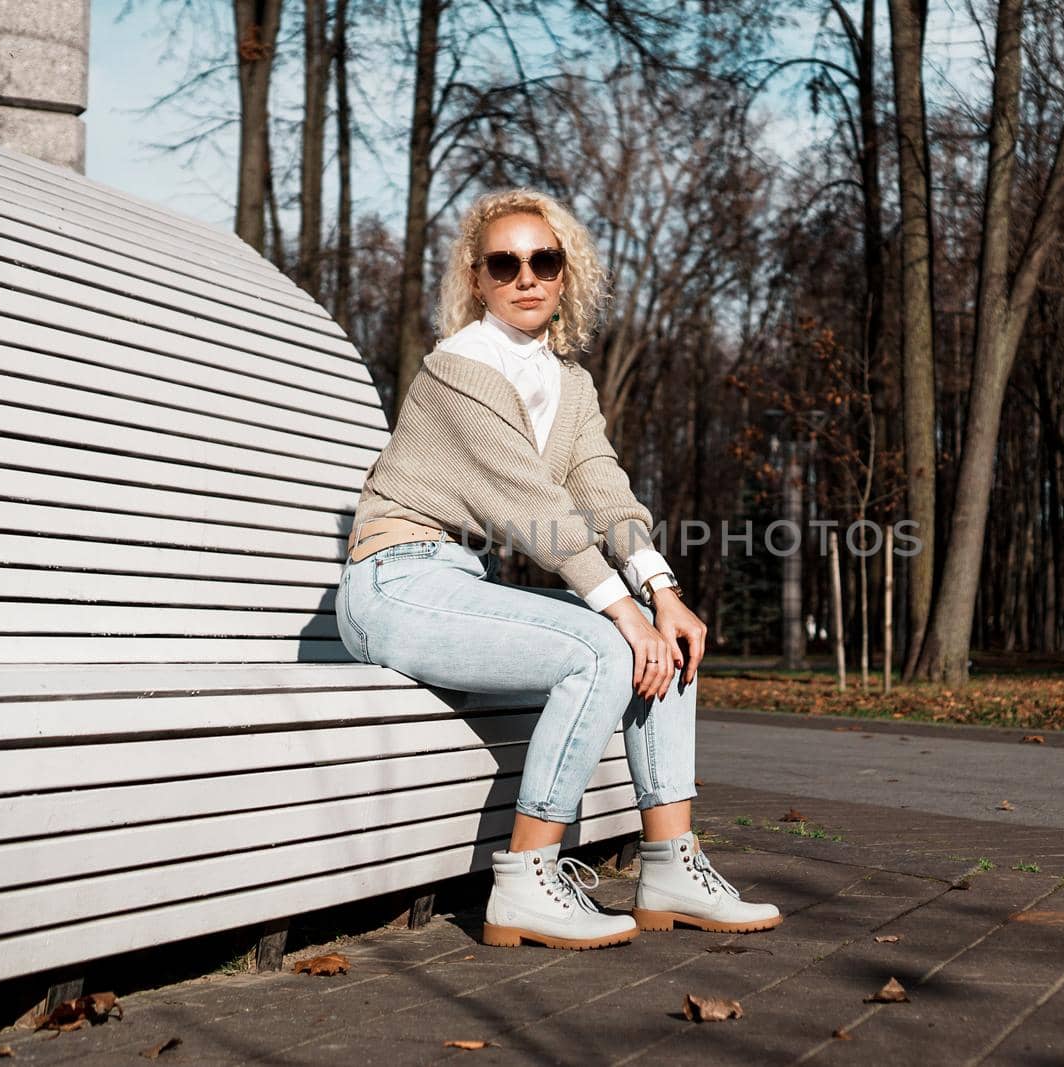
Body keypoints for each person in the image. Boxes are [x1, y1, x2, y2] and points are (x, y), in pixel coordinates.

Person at [335, 188, 782, 950]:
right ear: (476, 279)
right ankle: (528, 879)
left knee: (668, 637)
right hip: (394, 585)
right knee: (605, 644)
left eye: (543, 260)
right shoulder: (458, 371)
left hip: (458, 584)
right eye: (504, 264)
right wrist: (623, 609)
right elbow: (533, 507)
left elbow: (600, 485)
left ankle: (672, 865)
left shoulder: (568, 383)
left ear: (565, 272)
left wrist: (661, 591)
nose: (526, 277)